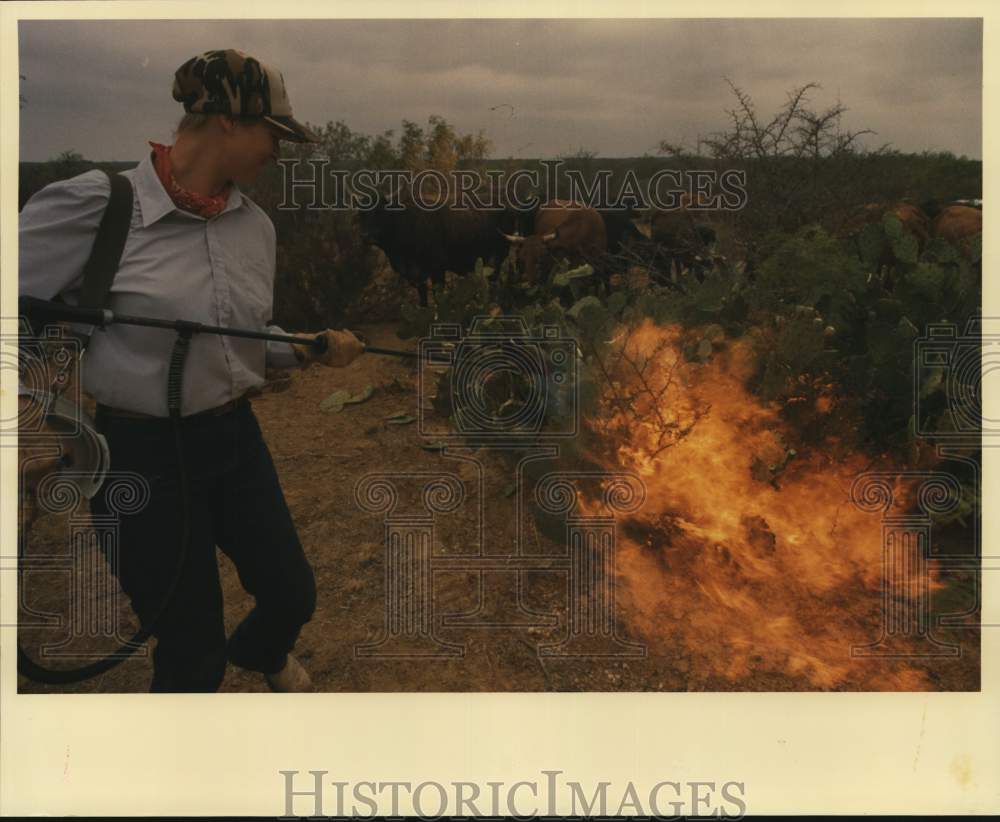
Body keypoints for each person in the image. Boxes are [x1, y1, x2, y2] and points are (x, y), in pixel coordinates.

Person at [18, 49, 363, 692]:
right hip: (139, 457)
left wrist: (305, 348)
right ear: (228, 120)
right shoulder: (99, 206)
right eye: (274, 134)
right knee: (190, 651)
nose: (279, 153)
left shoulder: (254, 227)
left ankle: (262, 654)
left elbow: (247, 341)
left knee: (293, 594)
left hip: (235, 442)